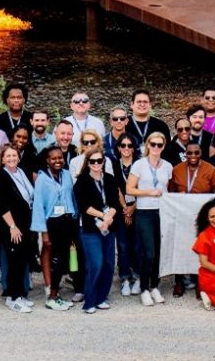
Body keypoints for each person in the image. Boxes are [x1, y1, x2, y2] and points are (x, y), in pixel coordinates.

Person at [169, 138, 215, 299]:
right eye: (189, 152)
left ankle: (201, 282)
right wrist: (176, 196)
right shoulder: (177, 169)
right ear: (185, 154)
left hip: (203, 217)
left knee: (203, 249)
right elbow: (169, 192)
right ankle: (178, 281)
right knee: (181, 248)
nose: (193, 155)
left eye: (196, 152)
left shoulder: (210, 169)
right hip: (182, 216)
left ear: (201, 153)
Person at [74, 145, 124, 314]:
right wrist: (103, 217)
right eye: (92, 161)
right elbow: (83, 206)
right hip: (91, 228)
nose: (96, 164)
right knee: (96, 263)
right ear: (87, 163)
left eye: (99, 161)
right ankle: (90, 301)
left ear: (103, 162)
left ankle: (102, 297)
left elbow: (116, 202)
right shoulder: (82, 181)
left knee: (109, 264)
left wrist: (109, 217)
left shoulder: (110, 179)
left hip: (109, 227)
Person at [127, 132, 173, 305]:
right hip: (144, 212)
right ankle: (144, 288)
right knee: (149, 252)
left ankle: (154, 286)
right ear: (147, 145)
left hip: (162, 212)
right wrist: (149, 192)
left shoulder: (167, 166)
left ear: (163, 146)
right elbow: (130, 188)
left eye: (159, 145)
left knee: (159, 252)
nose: (156, 148)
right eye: (153, 144)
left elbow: (167, 188)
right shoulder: (139, 165)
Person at [32, 145, 79, 310]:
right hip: (53, 222)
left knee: (64, 258)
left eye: (60, 158)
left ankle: (57, 294)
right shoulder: (42, 179)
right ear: (47, 160)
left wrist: (75, 218)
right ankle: (51, 296)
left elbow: (71, 197)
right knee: (57, 260)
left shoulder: (66, 175)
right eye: (54, 158)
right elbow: (38, 205)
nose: (58, 161)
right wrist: (44, 233)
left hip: (67, 220)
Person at [0, 145, 37, 312]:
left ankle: (20, 294)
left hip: (25, 224)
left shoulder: (21, 172)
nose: (11, 158)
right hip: (12, 226)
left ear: (19, 157)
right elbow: (2, 205)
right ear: (2, 159)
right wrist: (12, 226)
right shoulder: (2, 176)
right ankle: (13, 298)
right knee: (14, 262)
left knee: (22, 260)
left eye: (14, 155)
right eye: (8, 156)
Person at [111, 133, 139, 296]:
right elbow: (116, 189)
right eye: (123, 145)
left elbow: (142, 188)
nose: (126, 148)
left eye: (129, 145)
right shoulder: (114, 165)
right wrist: (125, 209)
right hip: (121, 209)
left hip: (138, 207)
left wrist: (133, 208)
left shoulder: (140, 164)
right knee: (122, 245)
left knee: (136, 244)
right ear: (119, 148)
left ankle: (137, 275)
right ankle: (125, 278)